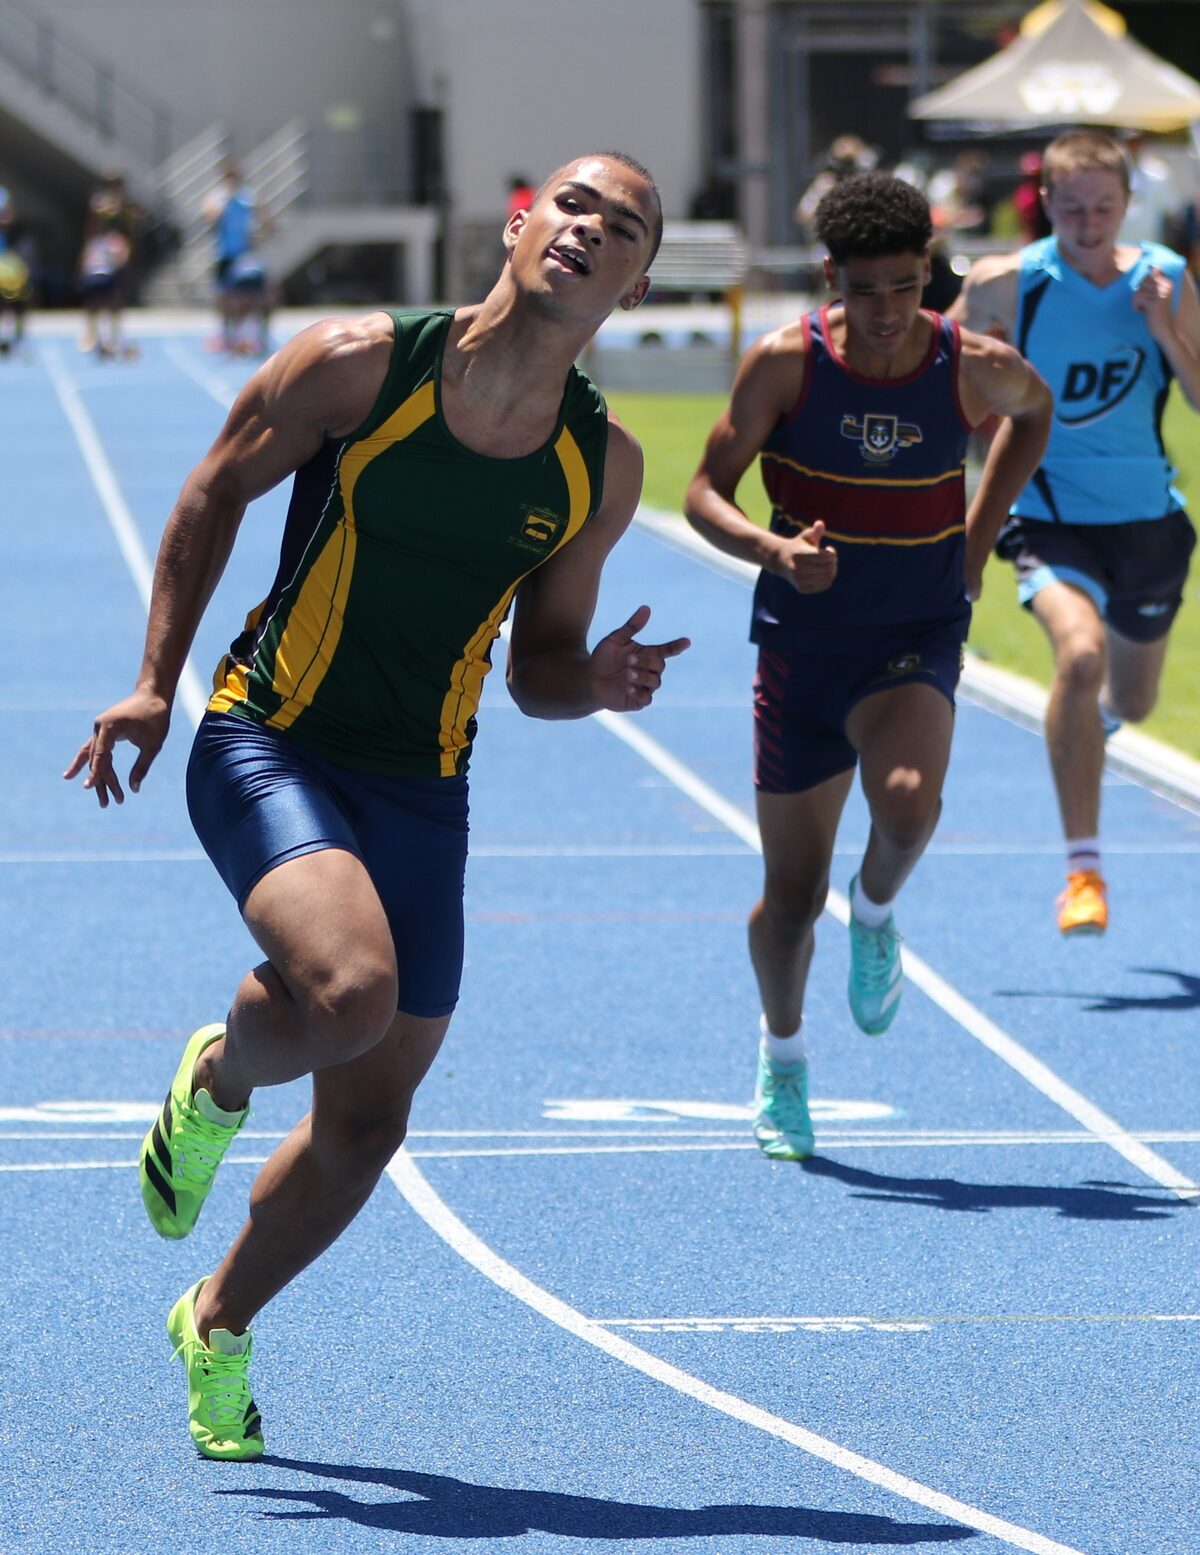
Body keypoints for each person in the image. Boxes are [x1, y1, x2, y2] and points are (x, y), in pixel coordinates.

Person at [66, 151, 688, 1459]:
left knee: (371, 1116)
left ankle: (217, 1320)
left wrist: (603, 679)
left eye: (621, 226)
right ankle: (223, 1074)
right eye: (573, 204)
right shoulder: (360, 364)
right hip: (269, 736)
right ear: (522, 223)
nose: (588, 228)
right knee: (348, 995)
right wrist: (148, 685)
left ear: (634, 281)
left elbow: (538, 673)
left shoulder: (598, 465)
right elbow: (213, 488)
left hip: (425, 782)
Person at [684, 171, 1051, 1162]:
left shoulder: (970, 365)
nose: (888, 312)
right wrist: (773, 553)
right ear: (829, 278)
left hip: (914, 634)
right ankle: (784, 1058)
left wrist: (976, 541)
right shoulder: (782, 366)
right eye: (865, 289)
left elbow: (1038, 410)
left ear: (930, 274)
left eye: (906, 286)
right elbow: (702, 491)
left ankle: (879, 910)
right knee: (790, 896)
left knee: (907, 804)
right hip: (803, 650)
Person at [950, 130, 1200, 936]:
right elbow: (931, 368)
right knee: (1080, 656)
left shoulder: (1164, 274)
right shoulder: (1008, 285)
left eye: (1104, 207)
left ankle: (1090, 734)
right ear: (1044, 206)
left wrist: (1163, 326)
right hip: (1052, 520)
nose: (1088, 223)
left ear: (1127, 205)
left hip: (1151, 526)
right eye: (1071, 207)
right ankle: (1083, 872)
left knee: (1132, 696)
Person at [202, 162, 270, 354]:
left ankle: (258, 337)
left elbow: (266, 220)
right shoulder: (218, 197)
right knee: (224, 298)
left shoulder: (247, 197)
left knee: (258, 296)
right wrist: (226, 201)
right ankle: (228, 337)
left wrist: (260, 217)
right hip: (224, 254)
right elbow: (210, 216)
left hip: (244, 255)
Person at [77, 172, 139, 358]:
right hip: (100, 253)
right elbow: (91, 229)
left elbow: (131, 232)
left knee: (114, 298)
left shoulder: (125, 207)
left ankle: (114, 338)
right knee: (94, 296)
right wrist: (88, 252)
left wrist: (128, 254)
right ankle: (93, 335)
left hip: (118, 252)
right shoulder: (99, 203)